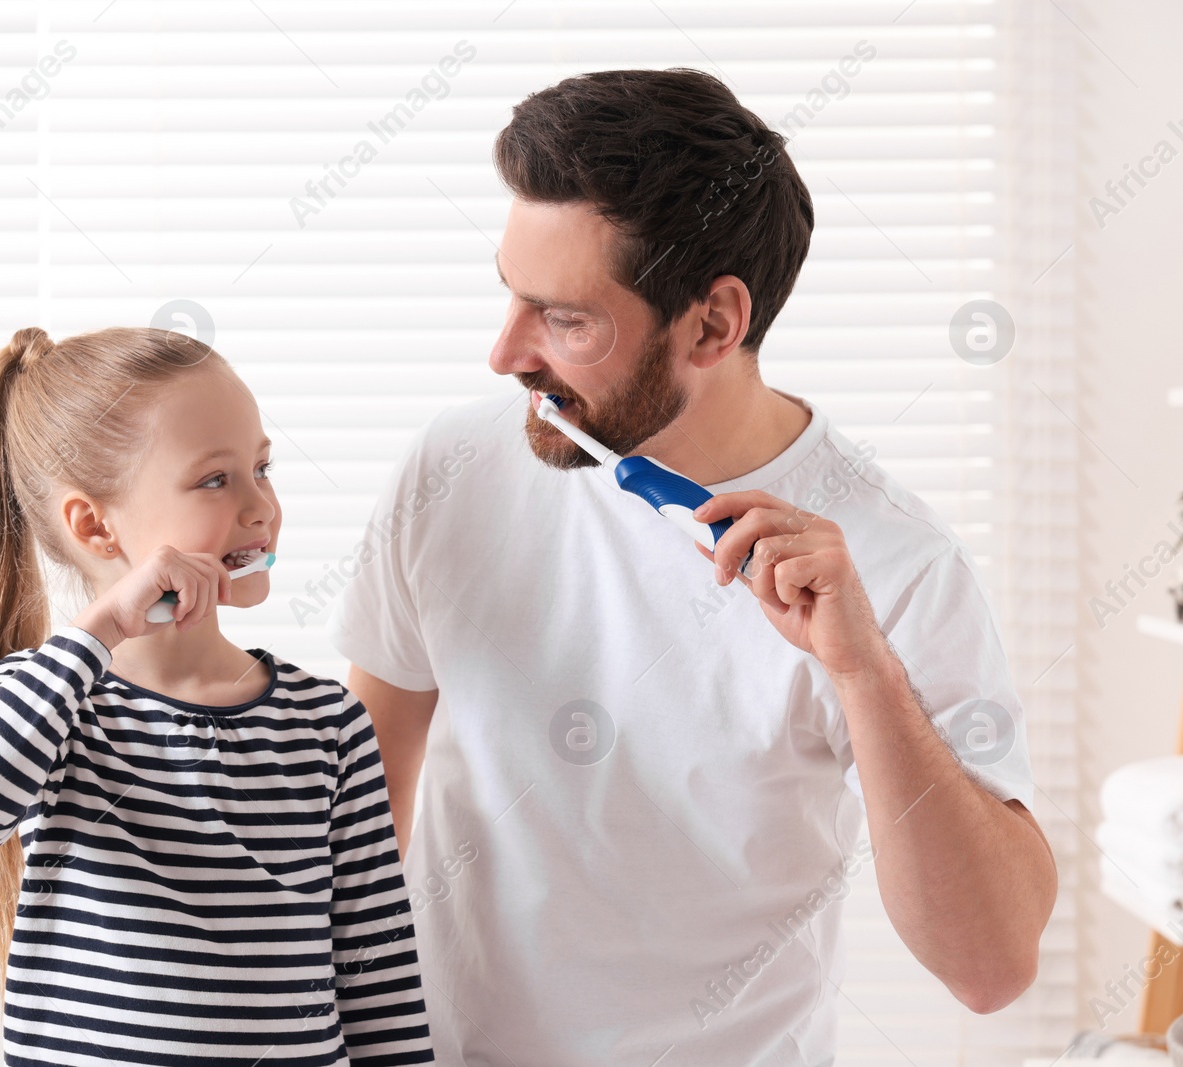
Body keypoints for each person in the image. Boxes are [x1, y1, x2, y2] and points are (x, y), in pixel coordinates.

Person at [326, 68, 1057, 1065]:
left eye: (563, 318)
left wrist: (861, 672)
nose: (503, 355)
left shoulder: (896, 562)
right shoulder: (453, 468)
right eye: (509, 295)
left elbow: (990, 964)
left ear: (713, 322)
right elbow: (353, 816)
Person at [0, 326, 434, 1064]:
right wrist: (102, 627)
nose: (261, 505)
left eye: (263, 466)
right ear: (95, 526)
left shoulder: (328, 724)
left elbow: (378, 978)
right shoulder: (51, 707)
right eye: (216, 479)